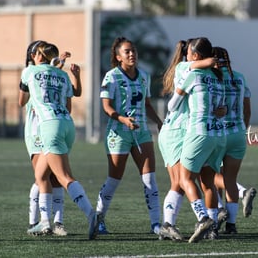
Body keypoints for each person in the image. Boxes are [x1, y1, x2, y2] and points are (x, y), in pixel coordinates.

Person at [18, 41, 99, 240]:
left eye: (35, 54)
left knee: (63, 177)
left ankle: (91, 215)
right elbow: (70, 100)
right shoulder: (62, 75)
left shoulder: (29, 71)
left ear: (37, 56)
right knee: (41, 175)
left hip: (48, 125)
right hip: (67, 124)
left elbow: (21, 101)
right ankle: (44, 222)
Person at [95, 37, 163, 236]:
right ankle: (98, 219)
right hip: (119, 133)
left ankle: (156, 225)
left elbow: (147, 105)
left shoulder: (144, 76)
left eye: (133, 50)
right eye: (127, 51)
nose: (132, 54)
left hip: (141, 132)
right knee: (114, 179)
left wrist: (159, 122)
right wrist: (123, 120)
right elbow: (107, 107)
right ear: (118, 57)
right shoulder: (111, 77)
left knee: (150, 178)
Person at [168, 37, 226, 243]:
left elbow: (172, 106)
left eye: (190, 53)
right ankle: (212, 228)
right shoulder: (218, 77)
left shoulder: (192, 73)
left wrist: (181, 94)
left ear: (195, 56)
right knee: (208, 182)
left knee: (185, 179)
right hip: (219, 135)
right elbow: (223, 108)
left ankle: (202, 218)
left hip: (198, 132)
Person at [158, 39, 216, 241]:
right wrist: (212, 60)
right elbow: (199, 64)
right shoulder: (185, 67)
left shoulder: (203, 74)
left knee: (184, 182)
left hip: (189, 132)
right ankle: (171, 224)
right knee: (179, 182)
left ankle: (168, 225)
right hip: (174, 130)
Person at [210, 46, 256, 235]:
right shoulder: (240, 77)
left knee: (209, 177)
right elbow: (247, 109)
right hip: (237, 133)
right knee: (229, 178)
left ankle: (217, 216)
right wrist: (242, 128)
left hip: (218, 133)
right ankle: (231, 225)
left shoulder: (212, 77)